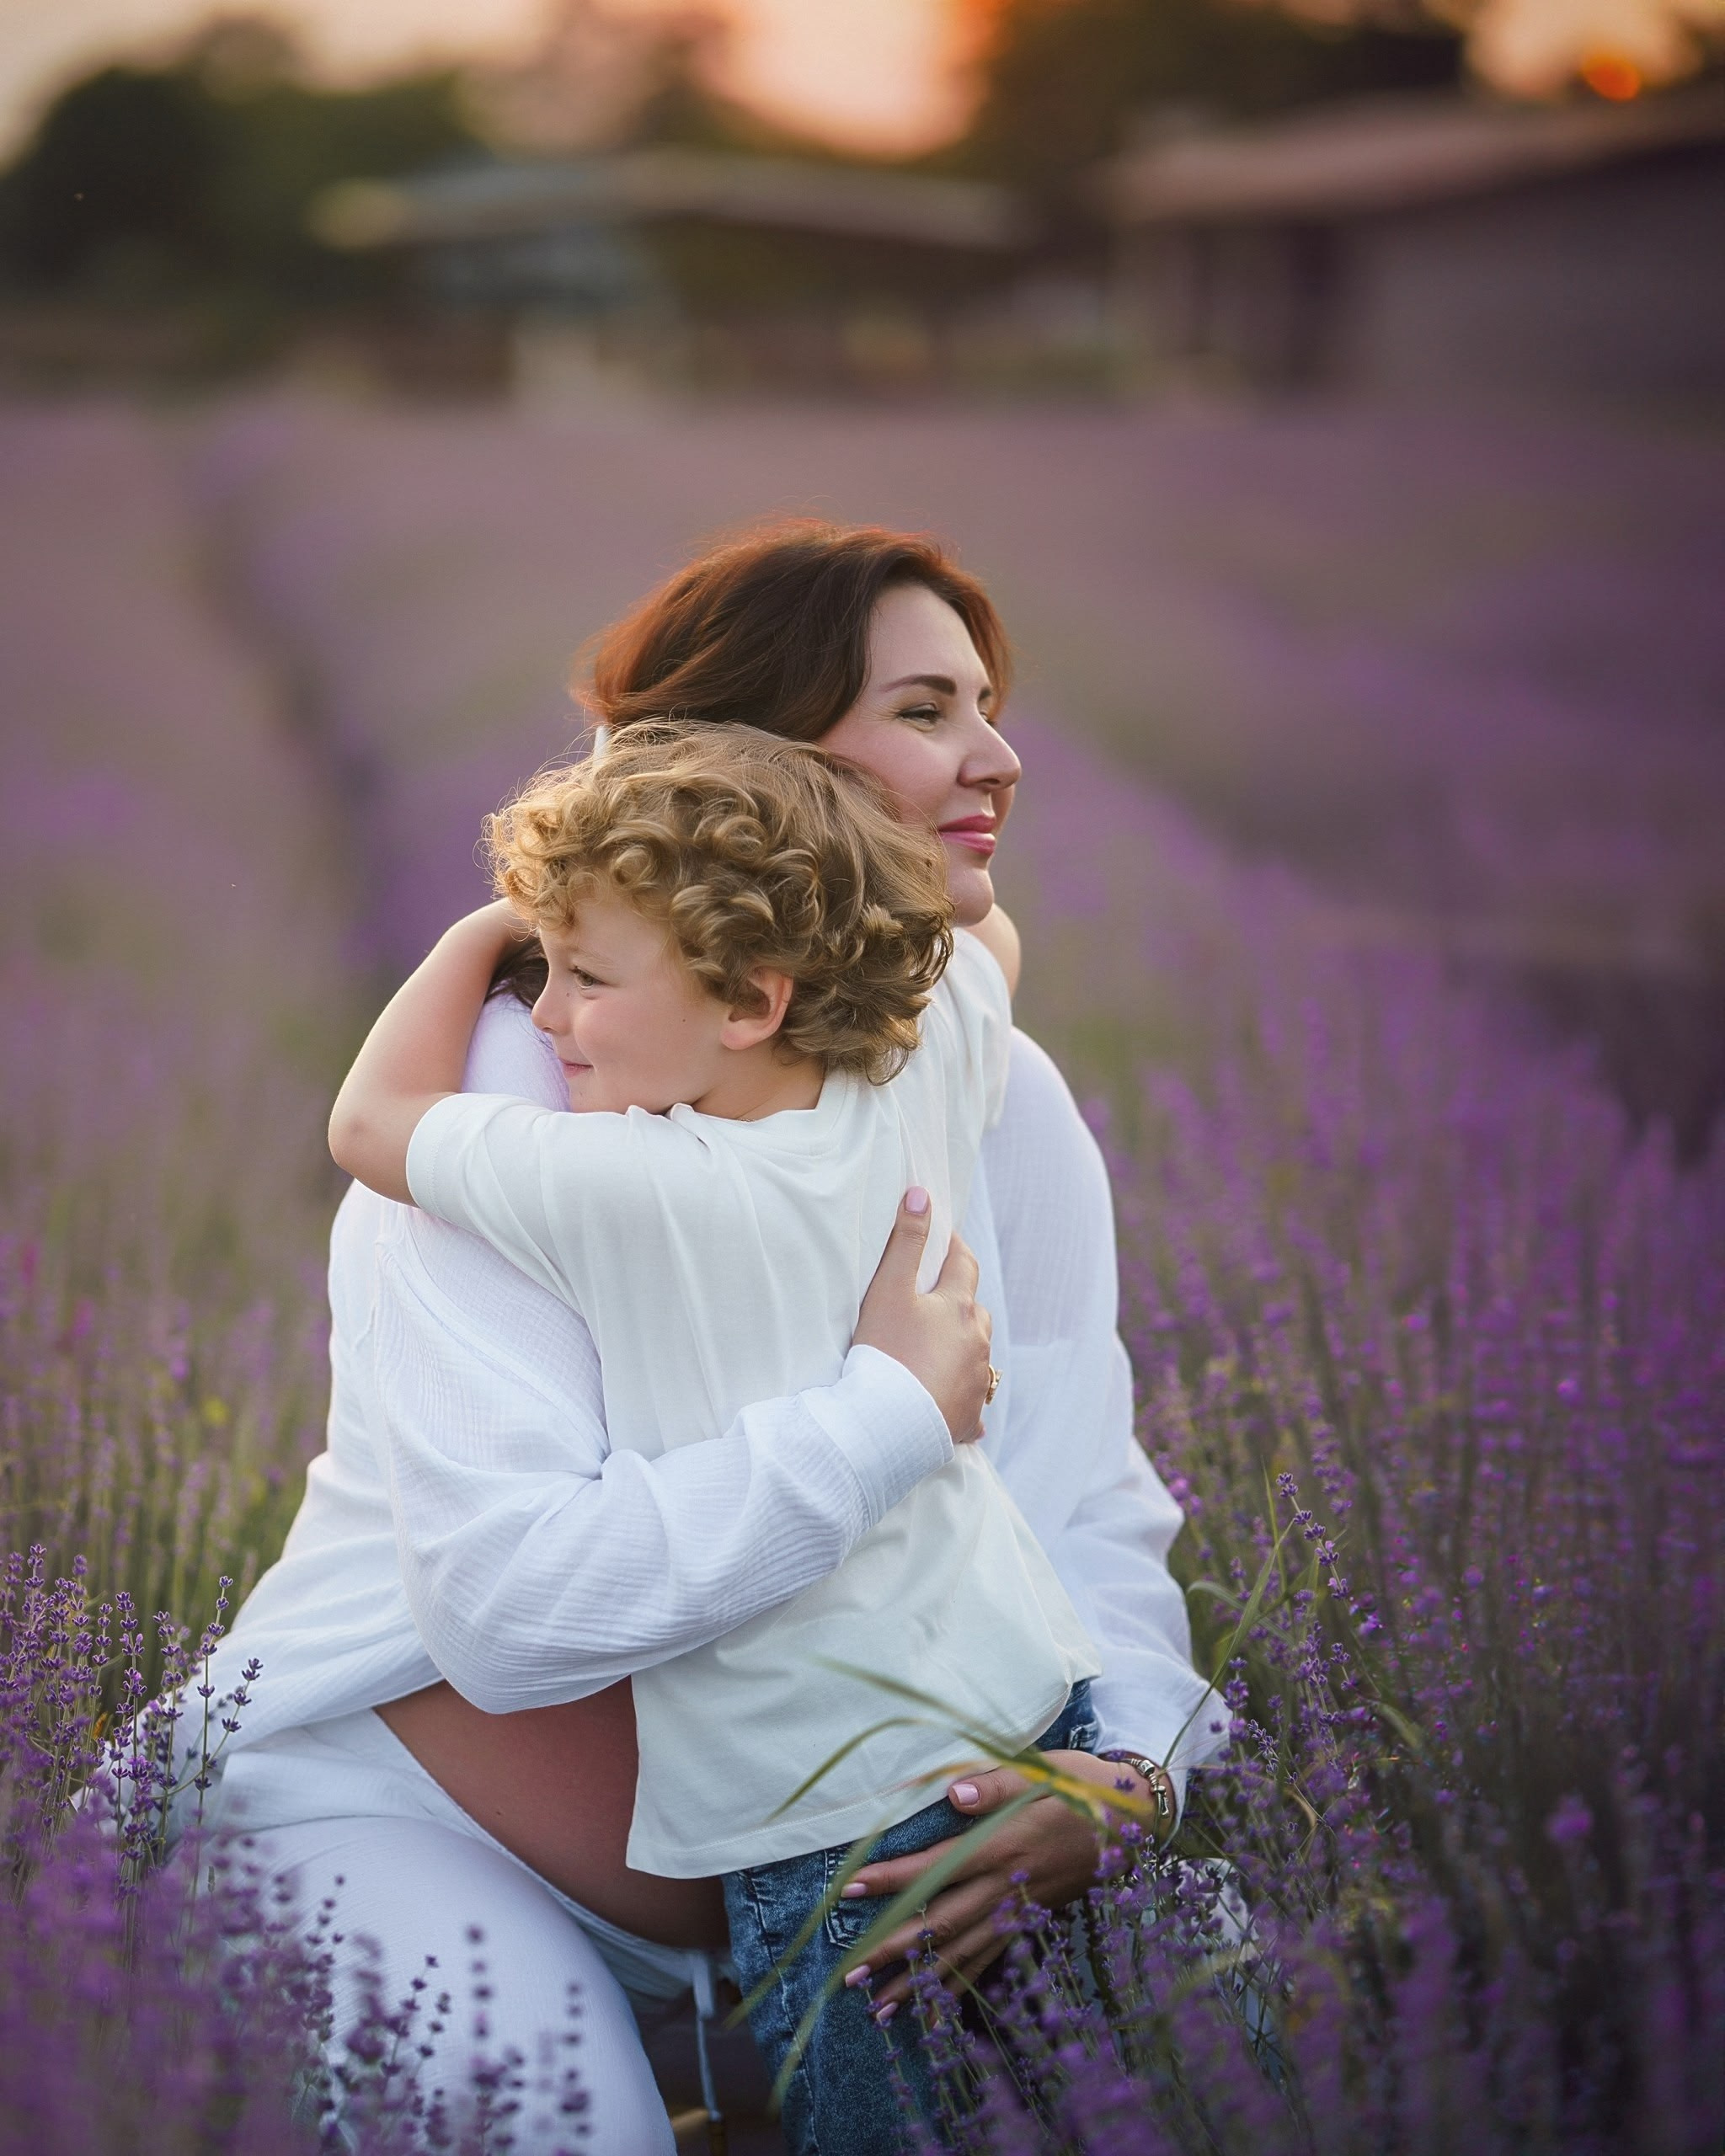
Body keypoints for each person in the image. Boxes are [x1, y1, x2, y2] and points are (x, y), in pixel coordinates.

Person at [194, 524, 1221, 2152]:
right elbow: (512, 1616)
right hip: (427, 1844)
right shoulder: (521, 1116)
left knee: (1234, 2036)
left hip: (852, 1883)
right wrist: (887, 1411)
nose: (1000, 757)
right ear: (752, 772)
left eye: (989, 705)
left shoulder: (984, 1079)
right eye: (926, 710)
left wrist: (1121, 1784)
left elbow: (1087, 1493)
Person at [327, 719, 1103, 2152]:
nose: (546, 1018)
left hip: (836, 1821)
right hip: (1041, 1732)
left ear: (749, 998)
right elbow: (985, 947)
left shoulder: (624, 1183)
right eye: (546, 971)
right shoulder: (914, 1079)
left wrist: (482, 933)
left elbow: (371, 1124)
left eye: (584, 976)